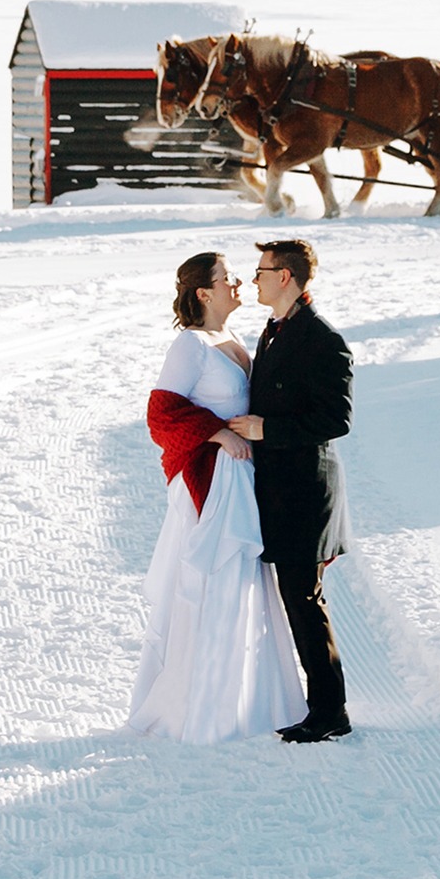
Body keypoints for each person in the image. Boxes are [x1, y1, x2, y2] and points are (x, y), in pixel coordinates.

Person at [133, 252, 309, 743]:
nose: (238, 283)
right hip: (212, 485)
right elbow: (161, 414)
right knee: (213, 583)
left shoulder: (230, 337)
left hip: (242, 480)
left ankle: (247, 700)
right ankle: (202, 707)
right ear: (204, 293)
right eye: (226, 277)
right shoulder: (189, 345)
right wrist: (217, 433)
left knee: (244, 585)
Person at [228, 239, 354, 744]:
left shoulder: (323, 339)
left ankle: (330, 712)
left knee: (303, 599)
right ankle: (319, 705)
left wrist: (267, 430)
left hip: (307, 493)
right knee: (296, 598)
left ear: (285, 276)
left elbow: (336, 419)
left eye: (261, 271)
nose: (253, 279)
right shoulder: (274, 330)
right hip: (281, 490)